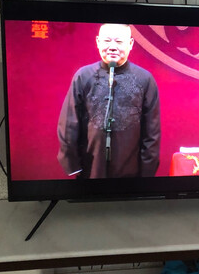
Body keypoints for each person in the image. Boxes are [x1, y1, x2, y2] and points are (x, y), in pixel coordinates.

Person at [57, 24, 161, 178]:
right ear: (98, 42)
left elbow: (151, 133)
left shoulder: (145, 79)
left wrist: (146, 174)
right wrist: (73, 165)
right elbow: (69, 124)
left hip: (131, 173)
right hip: (90, 171)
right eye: (107, 41)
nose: (112, 47)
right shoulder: (83, 76)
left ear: (130, 44)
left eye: (119, 41)